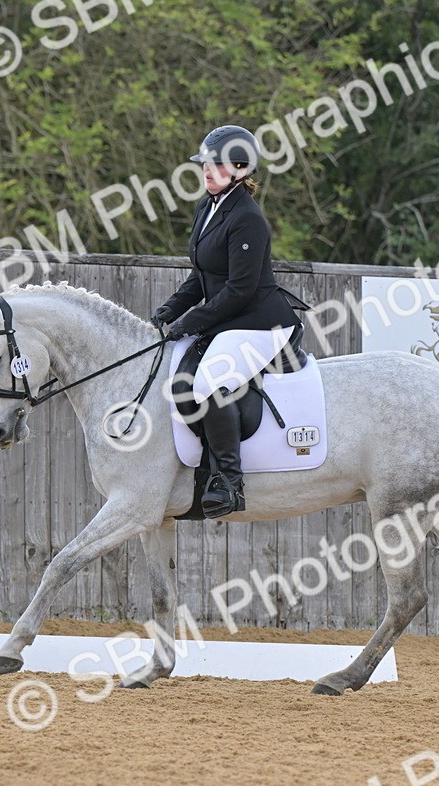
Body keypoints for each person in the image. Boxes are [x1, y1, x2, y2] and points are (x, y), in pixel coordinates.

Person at [151, 125, 303, 518]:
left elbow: (239, 288)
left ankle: (229, 482)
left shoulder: (248, 218)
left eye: (216, 164)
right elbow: (202, 275)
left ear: (239, 169)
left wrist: (191, 322)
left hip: (260, 322)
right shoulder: (207, 208)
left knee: (209, 382)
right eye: (204, 163)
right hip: (230, 318)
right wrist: (171, 308)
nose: (206, 170)